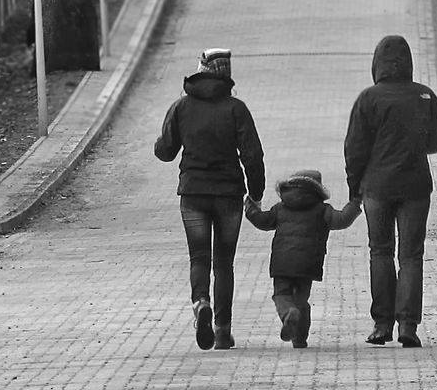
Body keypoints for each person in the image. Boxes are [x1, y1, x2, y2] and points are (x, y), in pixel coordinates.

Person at [154, 48, 265, 350]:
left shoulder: (182, 107)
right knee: (224, 263)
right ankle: (222, 330)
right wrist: (255, 193)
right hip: (229, 195)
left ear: (201, 69)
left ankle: (200, 301)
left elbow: (166, 151)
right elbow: (253, 156)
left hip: (193, 194)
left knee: (199, 257)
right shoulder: (236, 109)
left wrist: (162, 140)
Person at [343, 34, 437, 348]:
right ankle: (408, 326)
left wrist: (354, 189)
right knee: (412, 255)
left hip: (377, 187)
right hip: (415, 185)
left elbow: (355, 149)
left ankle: (381, 323)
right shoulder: (424, 96)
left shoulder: (368, 99)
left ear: (376, 64)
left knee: (380, 251)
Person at [245, 170, 361, 349]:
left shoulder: (280, 208)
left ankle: (288, 314)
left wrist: (250, 208)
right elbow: (342, 219)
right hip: (308, 264)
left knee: (282, 295)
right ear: (318, 190)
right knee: (300, 300)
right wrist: (355, 203)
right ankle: (299, 338)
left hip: (282, 263)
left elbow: (262, 221)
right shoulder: (323, 209)